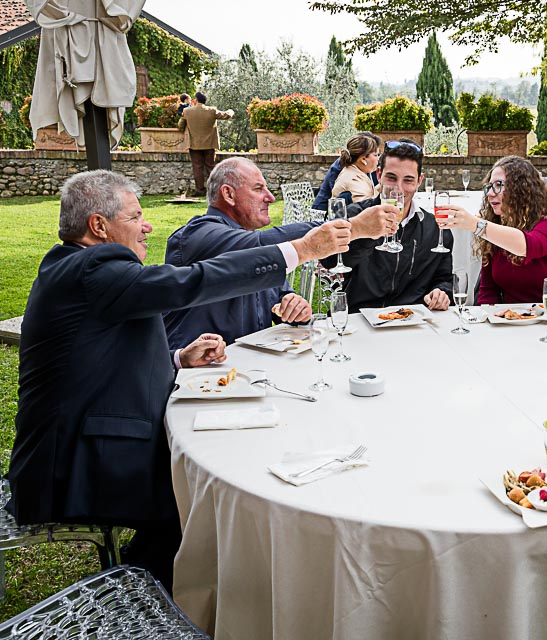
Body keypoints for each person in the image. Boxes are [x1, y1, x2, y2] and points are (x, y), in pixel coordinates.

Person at [7, 170, 350, 590]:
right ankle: (161, 595)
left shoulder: (78, 270)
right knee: (214, 490)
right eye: (135, 217)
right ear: (98, 226)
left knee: (211, 478)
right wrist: (298, 250)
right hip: (72, 464)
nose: (148, 225)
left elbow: (99, 356)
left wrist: (177, 359)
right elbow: (192, 282)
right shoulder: (93, 267)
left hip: (76, 446)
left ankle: (160, 571)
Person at [164, 157, 394, 348]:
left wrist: (293, 306)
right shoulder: (196, 235)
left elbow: (279, 299)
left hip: (247, 372)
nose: (270, 197)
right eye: (258, 189)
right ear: (229, 194)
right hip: (196, 379)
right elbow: (257, 246)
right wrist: (352, 227)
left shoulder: (260, 252)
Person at [335, 138, 453, 310]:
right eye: (391, 178)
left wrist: (441, 292)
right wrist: (363, 231)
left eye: (408, 180)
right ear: (378, 175)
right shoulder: (354, 215)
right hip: (360, 320)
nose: (398, 189)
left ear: (419, 181)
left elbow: (444, 280)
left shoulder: (435, 229)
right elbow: (331, 261)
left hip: (413, 322)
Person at [440, 155, 547, 307]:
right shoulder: (495, 229)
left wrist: (476, 225)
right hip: (510, 321)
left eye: (498, 185)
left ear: (522, 189)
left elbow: (526, 246)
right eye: (489, 186)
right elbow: (487, 290)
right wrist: (486, 319)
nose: (489, 193)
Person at [178, 91, 233, 197]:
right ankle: (216, 190)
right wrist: (230, 111)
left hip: (194, 144)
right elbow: (226, 115)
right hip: (209, 144)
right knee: (211, 167)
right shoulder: (211, 110)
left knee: (197, 167)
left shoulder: (187, 111)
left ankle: (200, 190)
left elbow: (180, 125)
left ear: (196, 100)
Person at [331, 132, 382, 203]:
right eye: (376, 155)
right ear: (363, 159)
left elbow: (370, 194)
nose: (378, 159)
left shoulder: (354, 171)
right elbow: (365, 208)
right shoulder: (354, 180)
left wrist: (383, 184)